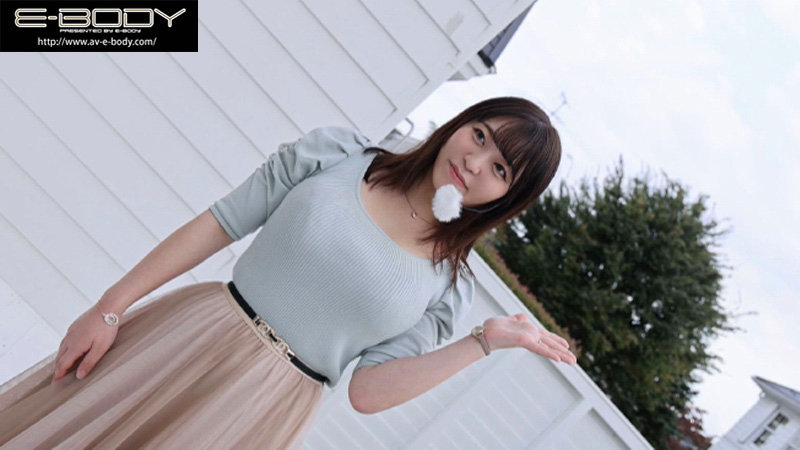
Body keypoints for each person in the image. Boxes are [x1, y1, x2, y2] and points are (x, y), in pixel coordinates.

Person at [0, 96, 577, 449]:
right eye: (479, 135)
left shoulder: (446, 288)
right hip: (188, 336)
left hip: (259, 411)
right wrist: (109, 307)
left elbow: (369, 393)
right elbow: (220, 223)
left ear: (508, 197)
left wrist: (484, 341)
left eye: (499, 168)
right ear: (461, 123)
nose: (473, 162)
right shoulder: (340, 156)